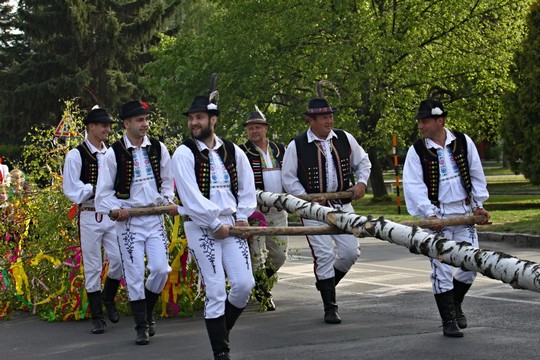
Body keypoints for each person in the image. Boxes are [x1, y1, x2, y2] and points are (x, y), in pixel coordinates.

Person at [172, 94, 256, 360]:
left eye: (199, 118)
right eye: (191, 118)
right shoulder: (184, 152)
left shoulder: (232, 150)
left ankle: (222, 332)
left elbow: (247, 186)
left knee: (244, 284)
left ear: (213, 120)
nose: (193, 123)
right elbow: (189, 195)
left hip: (231, 224)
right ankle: (221, 351)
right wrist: (212, 221)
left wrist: (242, 216)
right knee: (216, 288)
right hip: (200, 225)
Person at [402, 99, 490, 338]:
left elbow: (475, 173)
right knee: (441, 268)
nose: (421, 126)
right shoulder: (417, 150)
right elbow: (413, 185)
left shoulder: (462, 141)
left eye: (425, 121)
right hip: (437, 214)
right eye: (420, 121)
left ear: (440, 121)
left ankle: (455, 303)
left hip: (463, 213)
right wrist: (428, 214)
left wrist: (478, 206)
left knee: (471, 265)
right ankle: (448, 319)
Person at [282, 96, 371, 324]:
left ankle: (326, 284)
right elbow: (289, 178)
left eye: (330, 116)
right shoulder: (297, 145)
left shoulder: (344, 138)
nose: (329, 121)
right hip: (313, 210)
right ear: (311, 120)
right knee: (323, 255)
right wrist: (308, 198)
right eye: (323, 117)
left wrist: (361, 183)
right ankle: (330, 307)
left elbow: (364, 162)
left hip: (342, 205)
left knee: (351, 252)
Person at [95, 100, 178, 345]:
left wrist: (167, 201)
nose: (145, 124)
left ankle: (147, 311)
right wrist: (116, 209)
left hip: (153, 218)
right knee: (134, 272)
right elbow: (104, 191)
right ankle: (141, 325)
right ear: (127, 123)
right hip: (129, 221)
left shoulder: (159, 148)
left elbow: (167, 181)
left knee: (161, 269)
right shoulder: (114, 152)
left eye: (146, 119)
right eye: (140, 120)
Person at [62, 106, 123, 334]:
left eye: (108, 125)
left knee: (118, 260)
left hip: (111, 214)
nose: (107, 129)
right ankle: (97, 316)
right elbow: (71, 188)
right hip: (89, 214)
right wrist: (96, 188)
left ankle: (108, 297)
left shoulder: (111, 154)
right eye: (103, 125)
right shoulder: (76, 155)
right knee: (93, 265)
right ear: (91, 127)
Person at [239, 108, 288, 311]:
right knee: (257, 257)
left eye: (257, 127)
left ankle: (259, 282)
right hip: (256, 213)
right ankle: (262, 292)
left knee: (279, 255)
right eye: (250, 128)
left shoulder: (280, 149)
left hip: (279, 210)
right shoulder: (241, 151)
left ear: (266, 128)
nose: (254, 131)